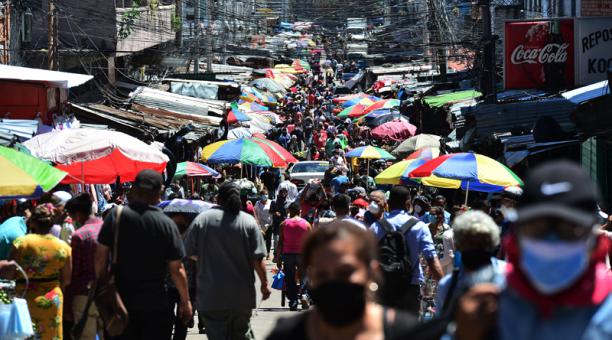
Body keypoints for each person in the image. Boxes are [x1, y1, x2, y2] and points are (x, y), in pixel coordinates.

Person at [454, 161, 612, 340]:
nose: (552, 243)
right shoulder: (485, 306)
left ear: (597, 242)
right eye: (538, 228)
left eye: (568, 229)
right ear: (515, 240)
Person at [267, 221, 419, 340]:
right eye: (322, 274)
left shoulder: (408, 333)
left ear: (371, 272)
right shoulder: (286, 335)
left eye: (345, 272)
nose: (333, 281)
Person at [95, 170, 192, 340]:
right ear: (159, 192)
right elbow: (177, 269)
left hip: (120, 304)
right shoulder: (167, 224)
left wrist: (105, 287)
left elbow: (99, 260)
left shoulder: (115, 217)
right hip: (156, 306)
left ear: (134, 190)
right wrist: (185, 301)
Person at [186, 182, 270, 340]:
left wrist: (207, 258)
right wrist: (264, 285)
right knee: (241, 334)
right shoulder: (248, 222)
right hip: (241, 297)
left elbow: (190, 253)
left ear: (218, 199)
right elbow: (258, 259)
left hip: (211, 296)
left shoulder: (202, 220)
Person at [369, 186, 444, 314]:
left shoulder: (376, 227)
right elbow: (432, 260)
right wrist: (446, 287)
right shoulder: (420, 227)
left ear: (388, 204)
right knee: (409, 331)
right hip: (410, 288)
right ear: (408, 203)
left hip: (383, 289)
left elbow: (366, 259)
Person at [9, 205, 72, 340]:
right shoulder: (63, 247)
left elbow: (10, 271)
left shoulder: (22, 242)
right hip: (52, 299)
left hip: (26, 298)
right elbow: (66, 280)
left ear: (33, 222)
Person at [435, 210, 506, 313]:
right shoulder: (447, 285)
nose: (475, 247)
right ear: (458, 245)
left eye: (482, 242)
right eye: (469, 242)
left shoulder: (507, 277)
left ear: (491, 243)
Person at [66, 193, 104, 340]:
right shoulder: (107, 227)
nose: (72, 219)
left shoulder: (79, 236)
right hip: (106, 292)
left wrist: (68, 305)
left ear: (79, 213)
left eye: (72, 215)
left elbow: (74, 273)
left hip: (83, 296)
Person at [277, 203, 312, 311]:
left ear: (289, 211)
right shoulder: (306, 224)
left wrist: (278, 257)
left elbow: (280, 243)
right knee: (304, 276)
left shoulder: (283, 224)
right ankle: (303, 294)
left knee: (289, 278)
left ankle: (293, 302)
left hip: (288, 255)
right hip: (302, 254)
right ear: (300, 211)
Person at [428, 206, 454, 275]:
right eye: (429, 214)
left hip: (442, 261)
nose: (430, 216)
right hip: (428, 260)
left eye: (433, 214)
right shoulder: (425, 227)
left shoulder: (446, 228)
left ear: (439, 215)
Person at [254, 189, 273, 258]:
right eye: (264, 194)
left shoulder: (271, 202)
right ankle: (261, 253)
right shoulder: (257, 203)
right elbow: (255, 212)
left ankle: (268, 253)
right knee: (261, 239)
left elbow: (273, 212)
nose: (265, 196)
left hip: (269, 224)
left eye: (266, 194)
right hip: (260, 225)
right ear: (261, 196)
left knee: (268, 239)